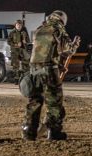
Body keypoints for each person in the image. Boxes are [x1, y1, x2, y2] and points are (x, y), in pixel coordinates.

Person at [23, 10, 80, 141]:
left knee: (34, 101)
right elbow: (67, 50)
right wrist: (75, 44)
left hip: (33, 69)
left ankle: (28, 131)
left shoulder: (40, 29)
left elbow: (41, 51)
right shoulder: (57, 29)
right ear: (62, 20)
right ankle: (54, 132)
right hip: (48, 70)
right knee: (54, 102)